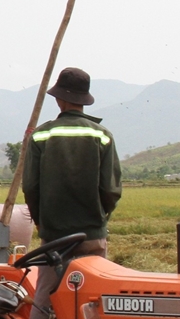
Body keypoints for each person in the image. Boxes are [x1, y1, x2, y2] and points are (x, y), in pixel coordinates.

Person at [21, 67, 122, 260]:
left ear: (60, 99)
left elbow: (30, 187)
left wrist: (41, 223)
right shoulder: (102, 135)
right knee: (92, 286)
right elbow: (110, 190)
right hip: (92, 235)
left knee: (49, 289)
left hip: (53, 237)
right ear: (83, 100)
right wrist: (99, 220)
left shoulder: (42, 135)